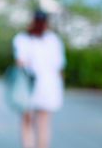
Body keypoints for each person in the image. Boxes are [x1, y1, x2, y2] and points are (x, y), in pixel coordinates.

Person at [12, 10, 66, 148]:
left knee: (43, 122)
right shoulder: (23, 38)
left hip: (48, 86)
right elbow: (20, 62)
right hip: (28, 86)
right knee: (27, 120)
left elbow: (59, 66)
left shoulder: (53, 40)